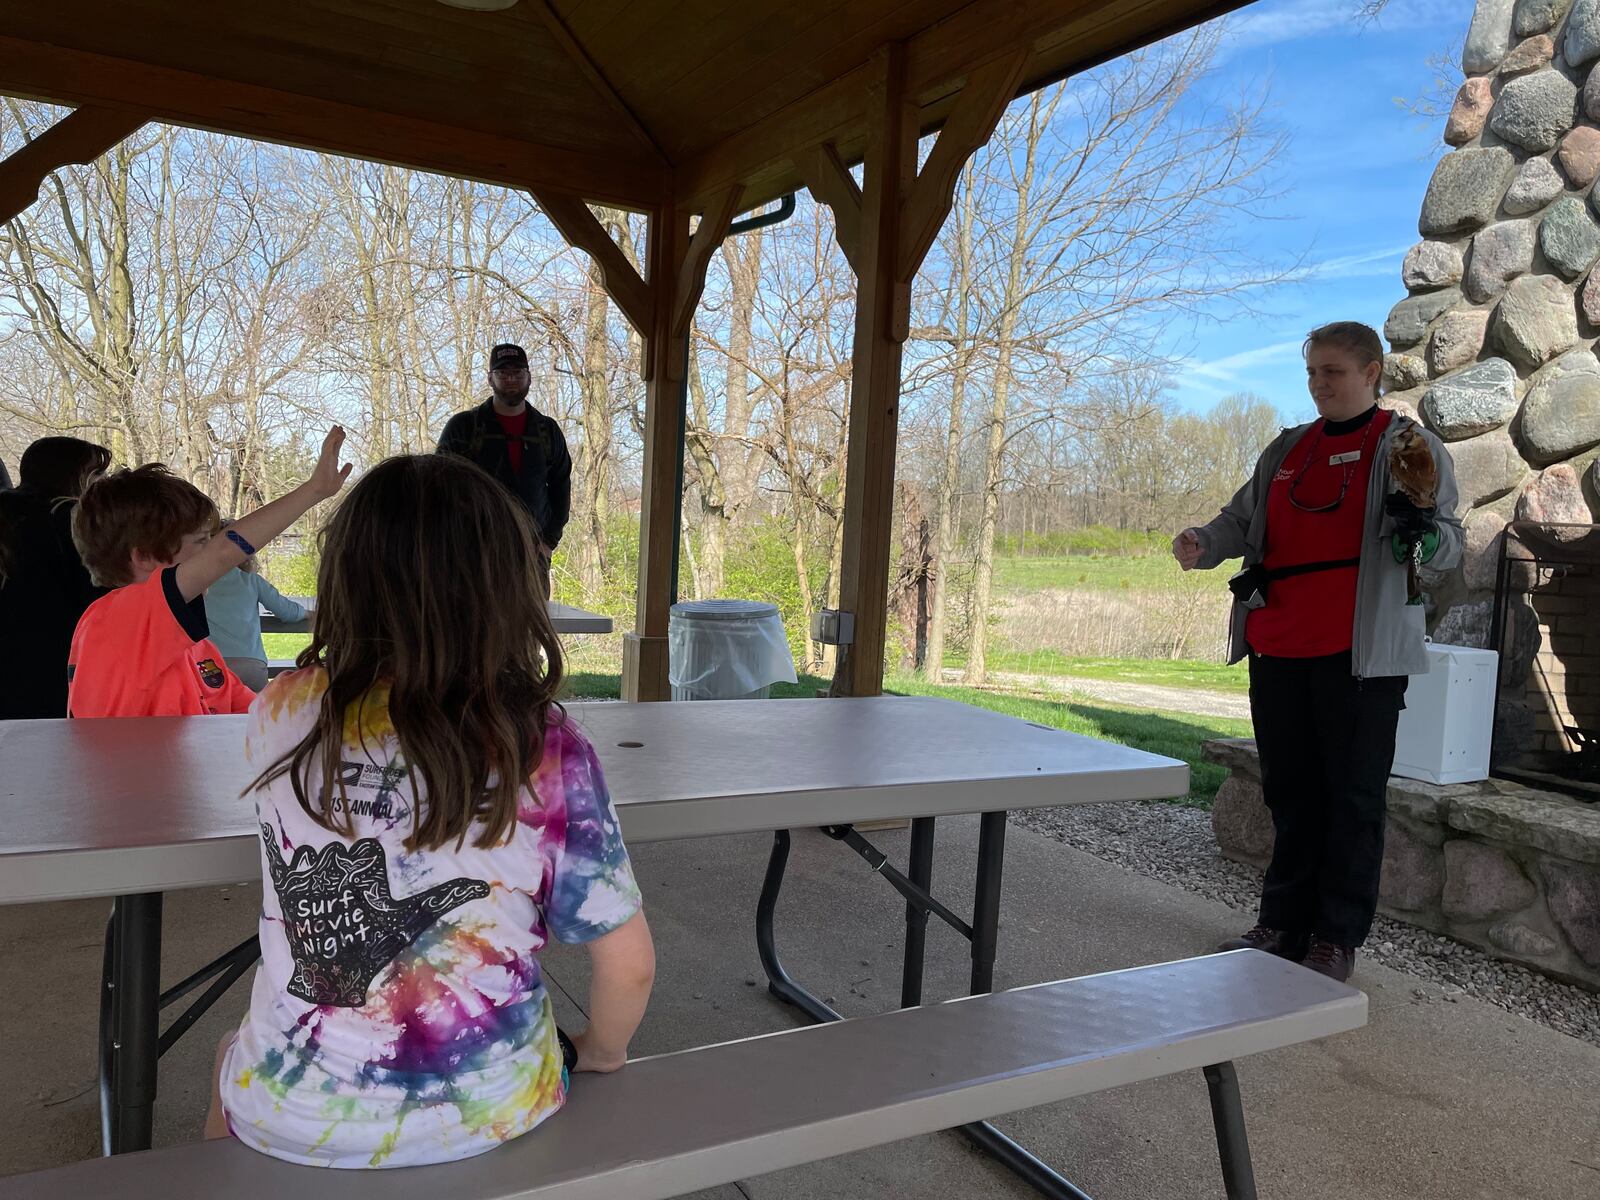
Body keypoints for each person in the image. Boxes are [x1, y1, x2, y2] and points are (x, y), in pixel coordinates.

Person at [208, 453, 652, 1168]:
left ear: (345, 581)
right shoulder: (542, 748)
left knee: (231, 1052)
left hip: (290, 1108)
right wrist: (604, 1049)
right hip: (494, 1109)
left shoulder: (280, 711)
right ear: (508, 589)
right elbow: (628, 966)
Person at [1172, 321, 1463, 983]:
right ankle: (1281, 923)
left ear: (1371, 373)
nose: (1319, 384)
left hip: (1359, 659)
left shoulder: (1406, 446)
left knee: (1352, 801)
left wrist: (1416, 538)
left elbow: (1447, 546)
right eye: (1312, 372)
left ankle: (1335, 938)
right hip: (1278, 648)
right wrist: (1203, 541)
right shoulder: (1288, 448)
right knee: (1291, 794)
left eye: (1333, 371)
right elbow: (1241, 521)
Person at [67, 429, 350, 718]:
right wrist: (314, 490)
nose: (212, 556)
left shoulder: (199, 651)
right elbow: (224, 553)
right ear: (143, 557)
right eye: (201, 541)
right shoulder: (116, 620)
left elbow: (253, 710)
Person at [0, 437, 112, 718]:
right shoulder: (73, 518)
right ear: (71, 475)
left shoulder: (8, 512)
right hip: (56, 656)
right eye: (96, 473)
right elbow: (97, 592)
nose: (103, 482)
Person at [436, 342, 572, 567]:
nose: (511, 379)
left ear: (529, 377)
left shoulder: (547, 430)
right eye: (502, 373)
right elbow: (440, 489)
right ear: (490, 379)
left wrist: (548, 542)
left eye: (517, 372)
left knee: (533, 605)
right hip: (476, 557)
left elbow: (561, 487)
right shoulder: (463, 428)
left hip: (532, 555)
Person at [205, 522, 308, 691]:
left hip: (210, 665)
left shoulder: (198, 583)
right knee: (254, 713)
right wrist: (308, 613)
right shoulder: (251, 581)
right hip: (251, 663)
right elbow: (286, 611)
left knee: (212, 713)